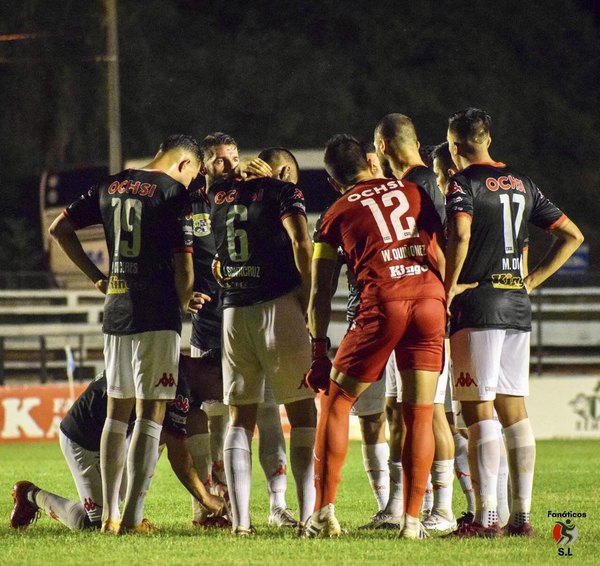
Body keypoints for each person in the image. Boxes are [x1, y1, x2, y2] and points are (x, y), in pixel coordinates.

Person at [48, 135, 201, 534]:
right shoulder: (173, 194)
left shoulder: (108, 186)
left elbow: (59, 228)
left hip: (116, 310)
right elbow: (183, 267)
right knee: (150, 414)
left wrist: (97, 278)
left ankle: (110, 516)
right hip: (157, 313)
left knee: (117, 412)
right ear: (185, 164)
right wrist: (186, 298)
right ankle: (131, 518)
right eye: (193, 174)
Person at [444, 108, 584, 537]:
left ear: (455, 146)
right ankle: (521, 518)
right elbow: (572, 235)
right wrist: (530, 282)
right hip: (515, 305)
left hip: (478, 304)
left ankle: (487, 518)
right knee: (515, 411)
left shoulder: (462, 183)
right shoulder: (524, 184)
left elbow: (462, 234)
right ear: (488, 139)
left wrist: (448, 288)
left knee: (478, 410)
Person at [304, 134, 447, 539]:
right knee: (419, 413)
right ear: (370, 160)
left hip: (383, 303)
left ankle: (324, 512)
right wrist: (445, 300)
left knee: (336, 403)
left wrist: (318, 349)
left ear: (334, 182)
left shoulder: (335, 213)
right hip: (429, 299)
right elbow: (439, 252)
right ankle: (413, 521)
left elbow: (321, 290)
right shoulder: (414, 190)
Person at [207, 140, 317, 535]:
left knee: (241, 416)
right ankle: (308, 519)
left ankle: (241, 524)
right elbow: (301, 242)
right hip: (278, 304)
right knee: (304, 412)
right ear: (285, 173)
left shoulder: (218, 194)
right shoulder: (284, 191)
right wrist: (308, 298)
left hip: (234, 311)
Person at [9, 355, 228, 531]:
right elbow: (178, 455)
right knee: (94, 522)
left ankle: (203, 516)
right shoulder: (175, 378)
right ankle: (31, 495)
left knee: (195, 418)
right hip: (84, 440)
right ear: (213, 372)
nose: (221, 397)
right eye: (224, 389)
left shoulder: (180, 369)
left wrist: (214, 485)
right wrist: (206, 497)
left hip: (119, 435)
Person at [373, 116, 457, 534]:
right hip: (402, 305)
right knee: (395, 409)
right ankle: (395, 504)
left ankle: (442, 508)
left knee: (432, 411)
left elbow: (444, 243)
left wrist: (446, 293)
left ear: (384, 145)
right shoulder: (404, 185)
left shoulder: (422, 183)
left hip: (425, 305)